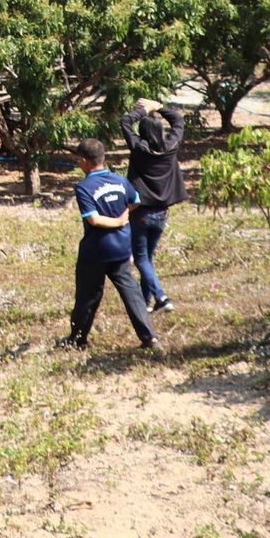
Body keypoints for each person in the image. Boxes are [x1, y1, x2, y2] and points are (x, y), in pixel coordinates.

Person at [57, 138, 158, 352]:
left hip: (96, 250)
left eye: (78, 160)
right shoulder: (120, 180)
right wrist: (124, 215)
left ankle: (77, 339)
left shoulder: (84, 187)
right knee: (131, 292)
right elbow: (136, 201)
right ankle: (149, 338)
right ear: (103, 158)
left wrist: (119, 220)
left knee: (88, 296)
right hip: (122, 247)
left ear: (83, 160)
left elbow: (94, 220)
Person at [121, 99, 188, 314]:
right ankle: (144, 302)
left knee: (141, 259)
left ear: (142, 133)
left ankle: (161, 296)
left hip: (141, 212)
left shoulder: (139, 148)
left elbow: (125, 122)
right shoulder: (170, 146)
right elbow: (178, 120)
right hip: (162, 213)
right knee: (147, 258)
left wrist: (142, 111)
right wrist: (158, 107)